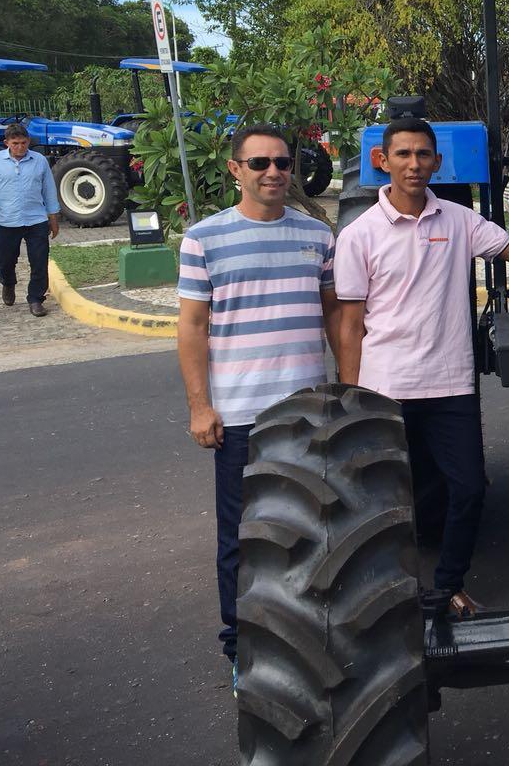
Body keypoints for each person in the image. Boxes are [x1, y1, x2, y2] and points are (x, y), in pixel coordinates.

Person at [334, 110, 509, 620]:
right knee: (390, 500)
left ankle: (447, 586)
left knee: (468, 489)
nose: (414, 164)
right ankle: (394, 591)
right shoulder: (360, 235)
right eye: (403, 155)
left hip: (450, 385)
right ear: (382, 161)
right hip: (385, 387)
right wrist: (352, 399)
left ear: (437, 163)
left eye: (422, 155)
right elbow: (350, 325)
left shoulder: (459, 221)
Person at [175, 123, 340, 695]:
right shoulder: (203, 239)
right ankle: (240, 646)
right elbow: (192, 329)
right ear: (235, 170)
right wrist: (201, 407)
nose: (273, 172)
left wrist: (349, 387)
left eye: (283, 162)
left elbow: (336, 316)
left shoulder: (318, 236)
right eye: (260, 163)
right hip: (242, 417)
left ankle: (311, 634)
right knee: (242, 540)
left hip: (310, 412)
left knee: (315, 531)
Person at [0, 123, 60, 317]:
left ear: (28, 141)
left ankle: (36, 299)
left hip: (36, 220)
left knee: (39, 261)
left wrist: (53, 217)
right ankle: (8, 283)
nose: (20, 147)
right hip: (6, 221)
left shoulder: (39, 161)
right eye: (15, 143)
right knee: (5, 262)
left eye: (23, 143)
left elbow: (49, 189)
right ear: (7, 143)